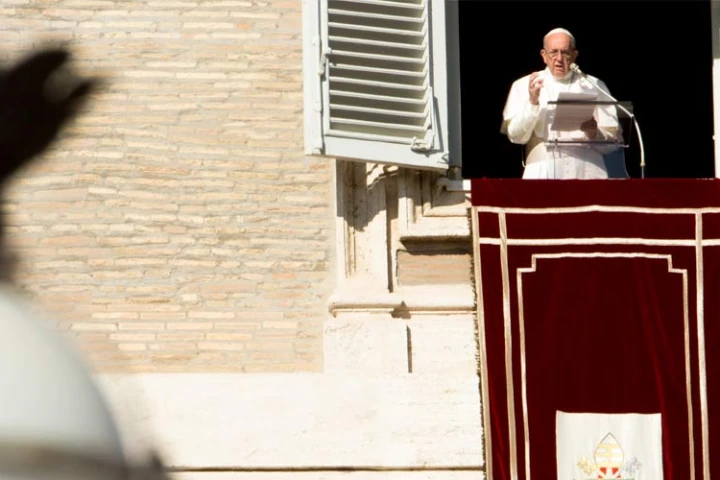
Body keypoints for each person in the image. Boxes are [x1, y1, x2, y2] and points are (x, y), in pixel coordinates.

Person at [500, 28, 622, 179]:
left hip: (587, 172)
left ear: (574, 55)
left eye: (565, 53)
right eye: (553, 52)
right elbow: (516, 137)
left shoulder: (594, 85)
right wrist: (532, 102)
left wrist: (595, 133)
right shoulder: (523, 85)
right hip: (542, 172)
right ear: (544, 55)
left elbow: (613, 144)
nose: (559, 58)